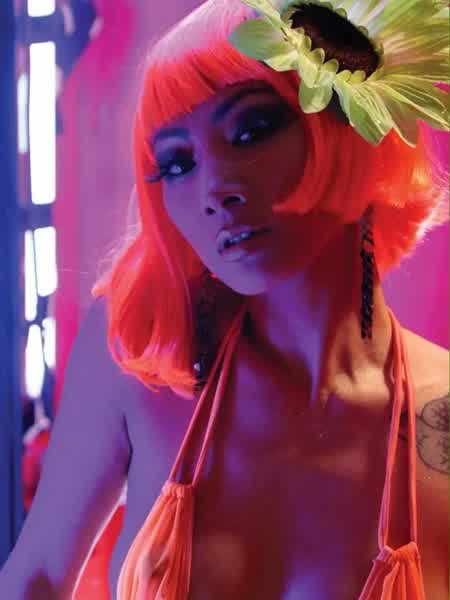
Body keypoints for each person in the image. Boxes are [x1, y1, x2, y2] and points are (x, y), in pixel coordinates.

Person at [1, 0, 449, 598]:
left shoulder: (440, 408)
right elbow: (34, 579)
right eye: (177, 163)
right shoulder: (138, 361)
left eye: (252, 130)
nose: (214, 188)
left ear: (348, 130)